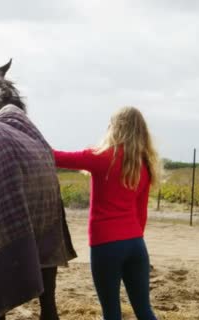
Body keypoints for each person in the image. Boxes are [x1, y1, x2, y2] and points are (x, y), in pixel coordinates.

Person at [52, 106, 160, 320]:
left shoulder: (102, 157)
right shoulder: (144, 165)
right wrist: (133, 240)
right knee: (144, 310)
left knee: (111, 313)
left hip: (106, 245)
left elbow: (56, 157)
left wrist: (26, 136)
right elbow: (141, 214)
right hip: (136, 246)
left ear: (115, 128)